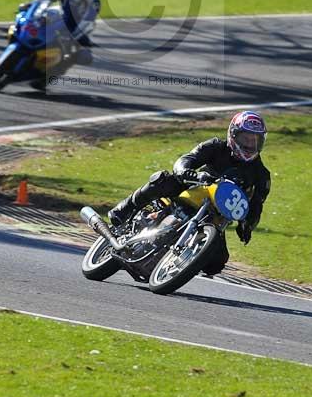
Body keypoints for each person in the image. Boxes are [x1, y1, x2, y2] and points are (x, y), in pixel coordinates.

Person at [108, 111, 271, 275]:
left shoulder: (262, 175)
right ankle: (125, 208)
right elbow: (187, 159)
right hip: (193, 188)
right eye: (245, 138)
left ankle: (179, 261)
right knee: (163, 180)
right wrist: (186, 171)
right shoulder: (215, 146)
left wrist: (247, 225)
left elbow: (257, 205)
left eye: (255, 140)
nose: (250, 145)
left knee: (216, 264)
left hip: (217, 215)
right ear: (233, 134)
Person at [19, 0, 101, 53]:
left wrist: (75, 36)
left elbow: (87, 21)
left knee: (82, 52)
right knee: (40, 17)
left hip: (79, 25)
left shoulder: (94, 1)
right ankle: (24, 32)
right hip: (63, 15)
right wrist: (31, 4)